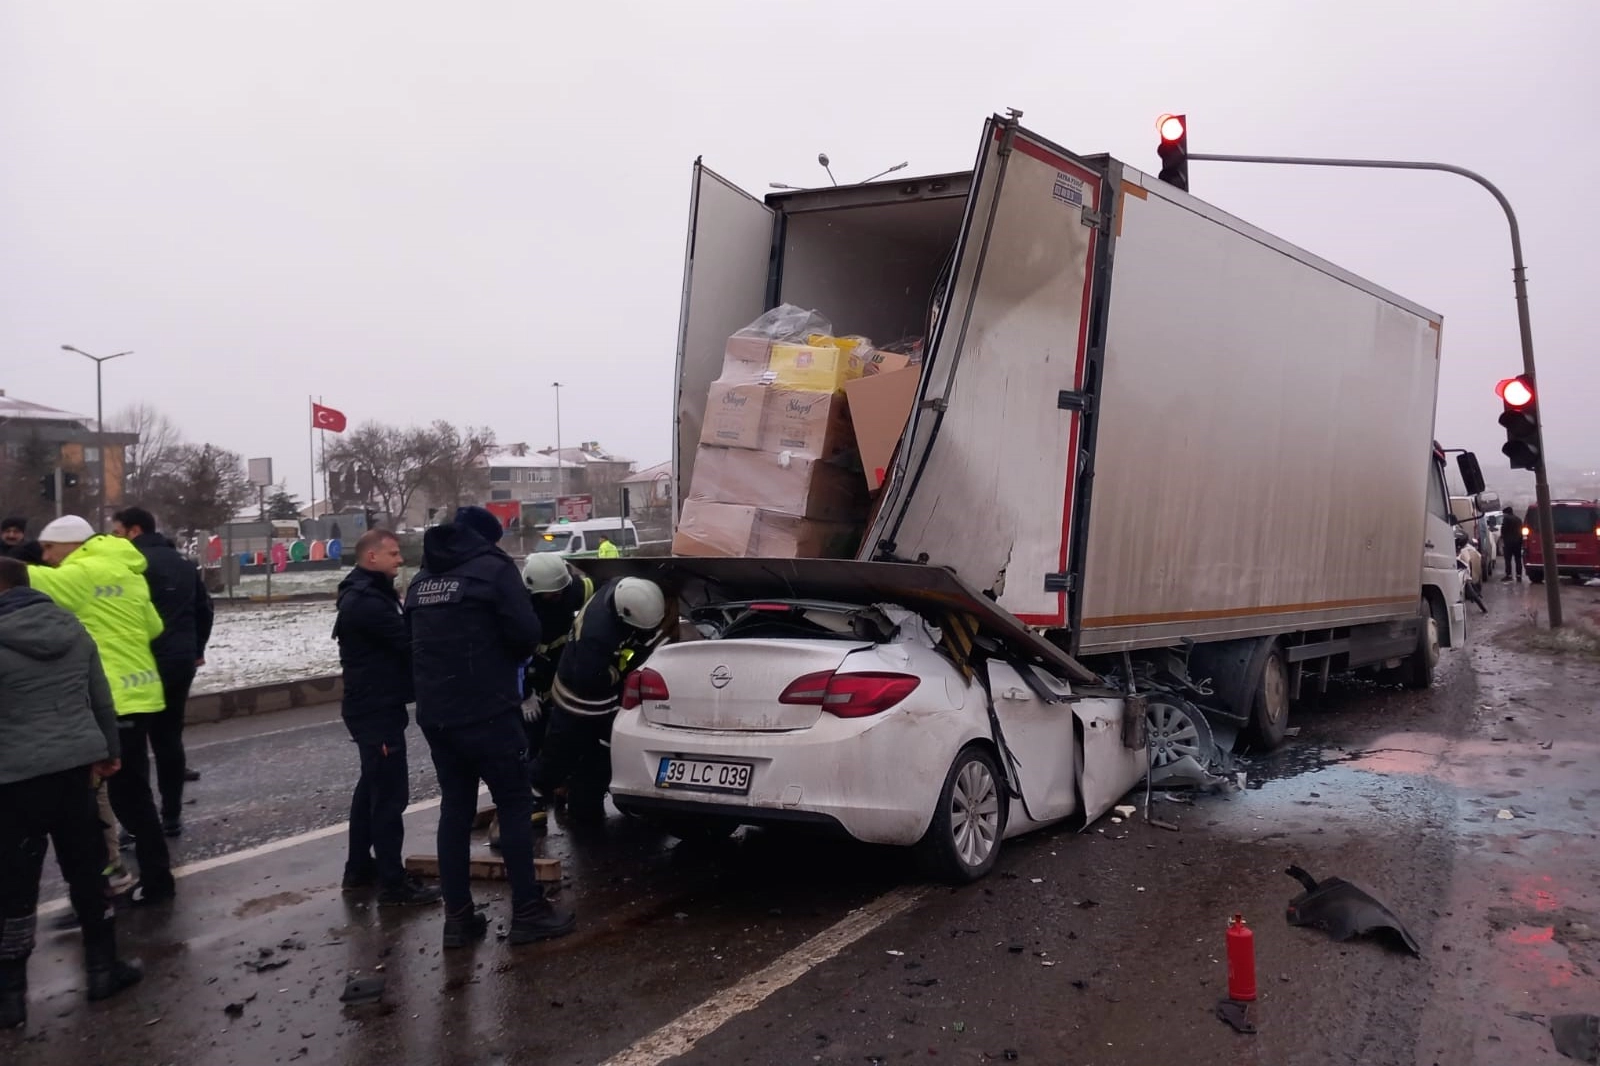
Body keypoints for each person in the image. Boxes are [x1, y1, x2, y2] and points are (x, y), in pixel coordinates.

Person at [406, 506, 574, 948]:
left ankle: (458, 920)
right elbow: (524, 634)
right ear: (486, 538)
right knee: (514, 805)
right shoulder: (494, 571)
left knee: (455, 811)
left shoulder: (421, 581)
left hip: (437, 717)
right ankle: (528, 912)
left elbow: (412, 642)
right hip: (488, 713)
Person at [0, 558, 143, 1029]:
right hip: (75, 769)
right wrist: (110, 750)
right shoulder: (73, 628)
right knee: (87, 868)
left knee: (15, 885)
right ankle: (103, 970)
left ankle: (10, 997)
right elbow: (99, 695)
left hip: (14, 778)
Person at [29, 515, 174, 906]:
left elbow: (20, 580)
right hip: (141, 692)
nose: (46, 557)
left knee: (119, 799)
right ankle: (154, 876)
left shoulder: (80, 572)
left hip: (107, 699)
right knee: (135, 794)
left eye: (49, 548)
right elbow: (154, 626)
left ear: (71, 544)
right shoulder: (126, 570)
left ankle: (148, 881)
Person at [333, 529, 439, 906]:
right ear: (371, 557)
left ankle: (359, 868)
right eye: (393, 554)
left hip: (374, 706)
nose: (400, 559)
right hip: (375, 710)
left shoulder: (368, 592)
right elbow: (407, 644)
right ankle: (394, 886)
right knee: (389, 797)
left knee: (371, 791)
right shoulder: (368, 601)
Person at [530, 577, 669, 824]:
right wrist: (623, 669)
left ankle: (583, 805)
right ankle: (530, 798)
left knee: (596, 756)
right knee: (560, 752)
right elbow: (594, 679)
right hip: (579, 699)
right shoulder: (597, 637)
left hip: (595, 695)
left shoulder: (619, 591)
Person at [111, 507, 214, 836]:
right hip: (180, 661)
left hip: (140, 661)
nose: (115, 537)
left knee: (134, 744)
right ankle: (171, 815)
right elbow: (205, 608)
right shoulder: (184, 563)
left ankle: (138, 823)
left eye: (118, 531)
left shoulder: (130, 563)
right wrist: (197, 649)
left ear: (134, 530)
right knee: (169, 737)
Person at [1501, 506, 1525, 582]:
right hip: (1517, 543)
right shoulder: (1518, 519)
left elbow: (1503, 530)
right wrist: (1521, 542)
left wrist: (1503, 538)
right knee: (1518, 559)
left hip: (1508, 543)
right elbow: (1521, 531)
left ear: (1506, 513)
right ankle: (1519, 576)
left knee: (1508, 560)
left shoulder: (1506, 519)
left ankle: (1509, 575)